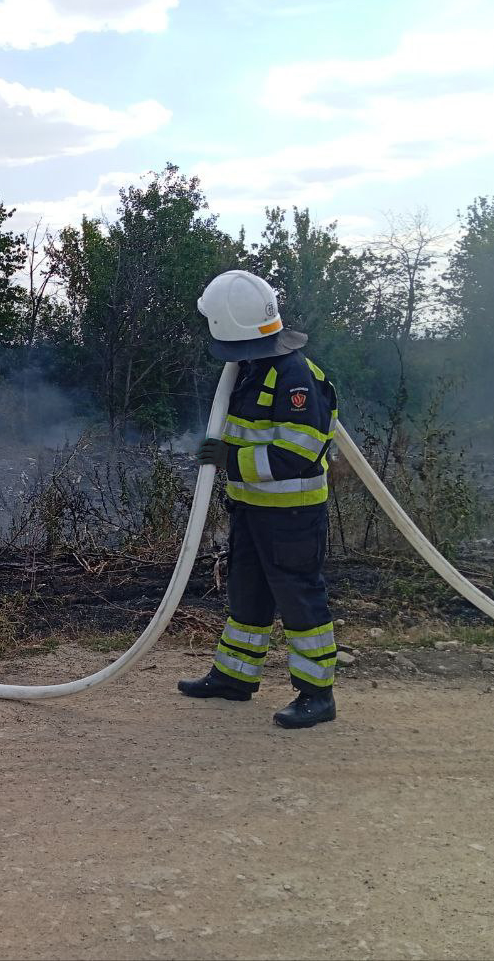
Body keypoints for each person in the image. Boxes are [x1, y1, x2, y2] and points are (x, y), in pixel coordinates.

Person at [179, 270, 340, 728]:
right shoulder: (252, 368)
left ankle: (317, 695)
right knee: (246, 594)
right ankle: (234, 676)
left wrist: (231, 461)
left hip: (291, 515)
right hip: (251, 509)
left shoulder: (294, 377)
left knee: (299, 600)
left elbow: (298, 452)